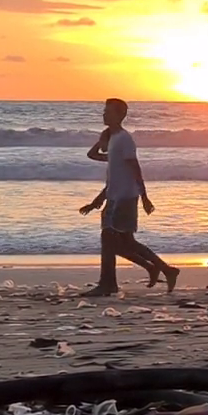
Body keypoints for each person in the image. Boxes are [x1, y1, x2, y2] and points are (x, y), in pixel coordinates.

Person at [79, 97, 179, 295]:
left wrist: (144, 197)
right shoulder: (113, 139)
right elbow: (102, 164)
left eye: (108, 111)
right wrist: (97, 200)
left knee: (113, 240)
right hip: (114, 198)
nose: (104, 114)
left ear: (120, 115)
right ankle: (163, 270)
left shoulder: (124, 139)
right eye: (104, 111)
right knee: (121, 242)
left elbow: (135, 168)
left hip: (125, 199)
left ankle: (109, 284)